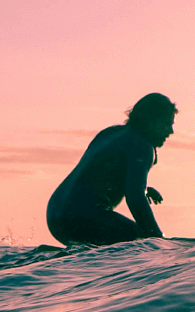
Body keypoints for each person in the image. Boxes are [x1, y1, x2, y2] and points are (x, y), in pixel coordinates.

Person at [46, 93, 177, 246]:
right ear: (150, 122)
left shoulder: (111, 133)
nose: (170, 131)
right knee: (140, 243)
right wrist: (158, 241)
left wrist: (144, 189)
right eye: (167, 124)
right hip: (82, 216)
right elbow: (135, 198)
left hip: (55, 214)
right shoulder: (142, 146)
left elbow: (97, 174)